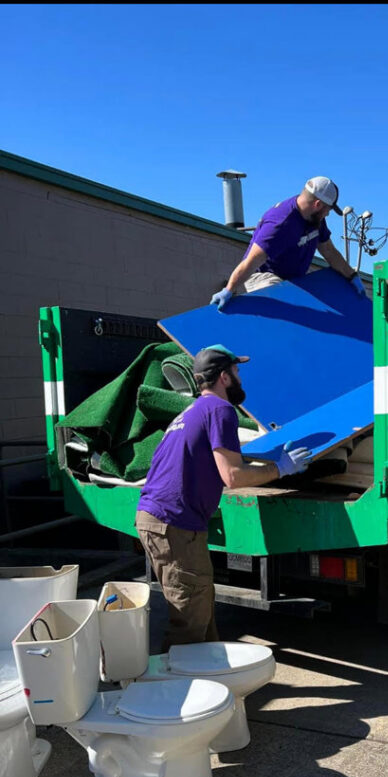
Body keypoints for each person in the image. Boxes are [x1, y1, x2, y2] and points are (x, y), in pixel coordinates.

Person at [135, 344, 311, 649]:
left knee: (199, 606)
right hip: (174, 524)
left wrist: (266, 455)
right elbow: (233, 477)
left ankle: (211, 680)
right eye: (236, 371)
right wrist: (281, 469)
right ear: (224, 378)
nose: (240, 377)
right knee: (189, 619)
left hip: (161, 520)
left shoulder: (191, 412)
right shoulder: (221, 410)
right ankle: (172, 691)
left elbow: (206, 458)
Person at [210, 176, 366, 308]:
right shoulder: (280, 223)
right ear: (317, 205)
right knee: (281, 301)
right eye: (328, 210)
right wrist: (229, 289)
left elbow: (329, 252)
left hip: (293, 279)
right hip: (264, 275)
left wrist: (352, 276)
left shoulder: (316, 220)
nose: (327, 214)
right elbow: (252, 261)